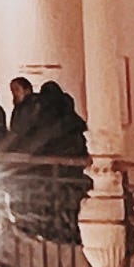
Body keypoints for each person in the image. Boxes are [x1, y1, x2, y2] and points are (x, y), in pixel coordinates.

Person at [10, 78, 90, 244]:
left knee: (56, 200)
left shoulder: (47, 119)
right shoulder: (70, 118)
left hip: (55, 173)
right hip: (70, 172)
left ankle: (51, 228)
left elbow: (37, 141)